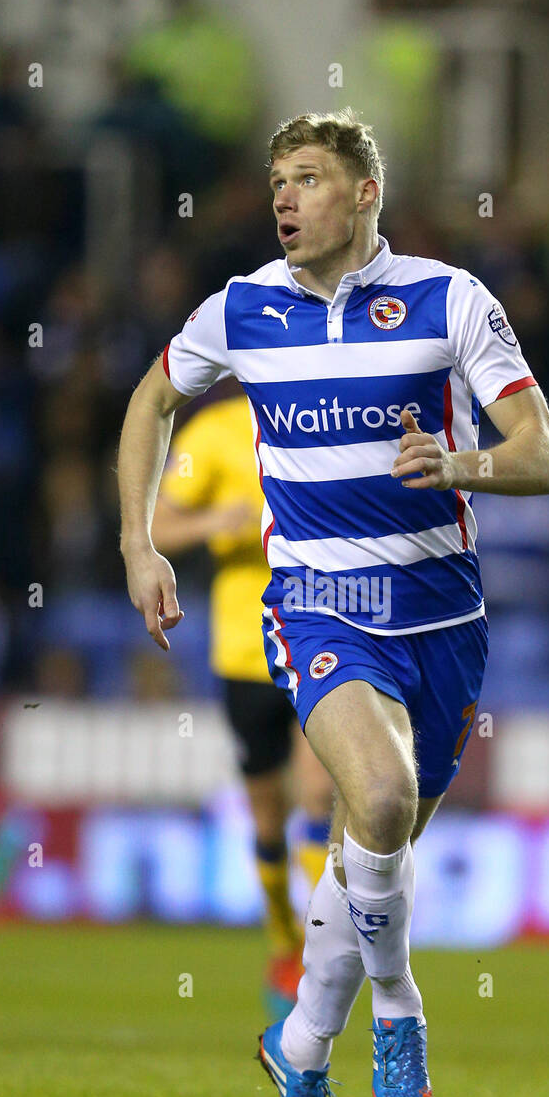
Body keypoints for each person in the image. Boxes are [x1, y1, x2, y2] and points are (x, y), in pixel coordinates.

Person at [117, 108, 549, 1097]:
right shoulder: (242, 311)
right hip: (317, 601)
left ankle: (302, 1048)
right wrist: (139, 545)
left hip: (443, 617)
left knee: (375, 851)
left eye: (309, 178)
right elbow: (150, 399)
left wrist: (461, 468)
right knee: (377, 800)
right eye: (278, 179)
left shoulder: (451, 300)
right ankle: (401, 1003)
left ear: (366, 194)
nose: (284, 197)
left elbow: (544, 457)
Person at [149, 385, 334, 1015]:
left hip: (322, 637)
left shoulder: (325, 413)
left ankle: (320, 947)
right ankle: (282, 933)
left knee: (318, 793)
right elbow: (159, 524)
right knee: (264, 813)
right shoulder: (213, 433)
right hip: (244, 646)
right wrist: (214, 522)